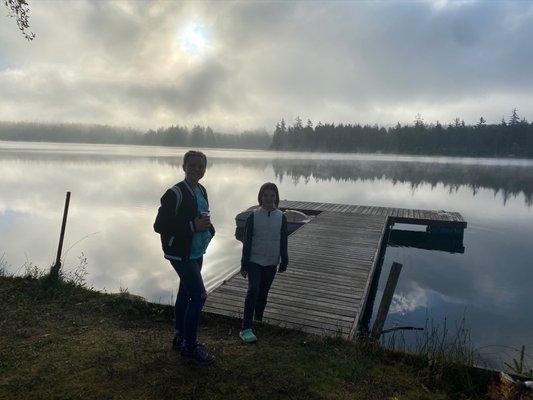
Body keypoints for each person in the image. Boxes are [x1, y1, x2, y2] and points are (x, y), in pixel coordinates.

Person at [153, 150, 216, 365]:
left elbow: (202, 215)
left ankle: (180, 337)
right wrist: (192, 226)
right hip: (180, 253)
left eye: (201, 166)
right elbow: (159, 226)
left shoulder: (201, 190)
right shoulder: (174, 193)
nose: (197, 169)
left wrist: (209, 229)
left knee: (185, 294)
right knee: (199, 296)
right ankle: (190, 348)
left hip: (196, 250)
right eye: (193, 165)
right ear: (184, 167)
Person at [239, 182, 288, 343]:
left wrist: (284, 259)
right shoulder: (253, 216)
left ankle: (258, 319)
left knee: (263, 293)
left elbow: (283, 241)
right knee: (253, 290)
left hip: (272, 262)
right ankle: (246, 328)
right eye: (265, 195)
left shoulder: (281, 217)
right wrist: (244, 264)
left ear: (276, 198)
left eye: (272, 195)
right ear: (260, 197)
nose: (268, 198)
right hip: (254, 260)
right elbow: (246, 241)